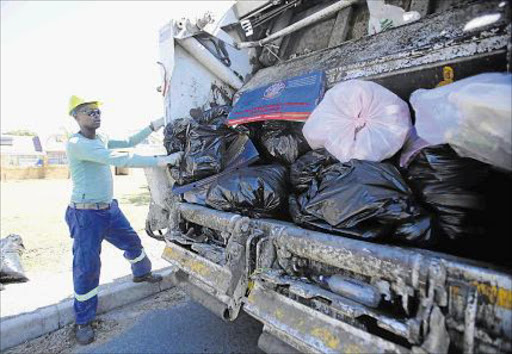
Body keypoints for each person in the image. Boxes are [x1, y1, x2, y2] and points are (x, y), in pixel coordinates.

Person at [65, 95, 182, 345]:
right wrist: (159, 162)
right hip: (86, 215)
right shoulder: (77, 143)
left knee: (133, 242)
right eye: (88, 111)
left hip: (108, 209)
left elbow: (128, 143)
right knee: (87, 266)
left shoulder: (101, 138)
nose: (96, 115)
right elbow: (118, 158)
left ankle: (141, 273)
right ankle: (83, 320)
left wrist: (154, 125)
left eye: (97, 111)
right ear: (76, 117)